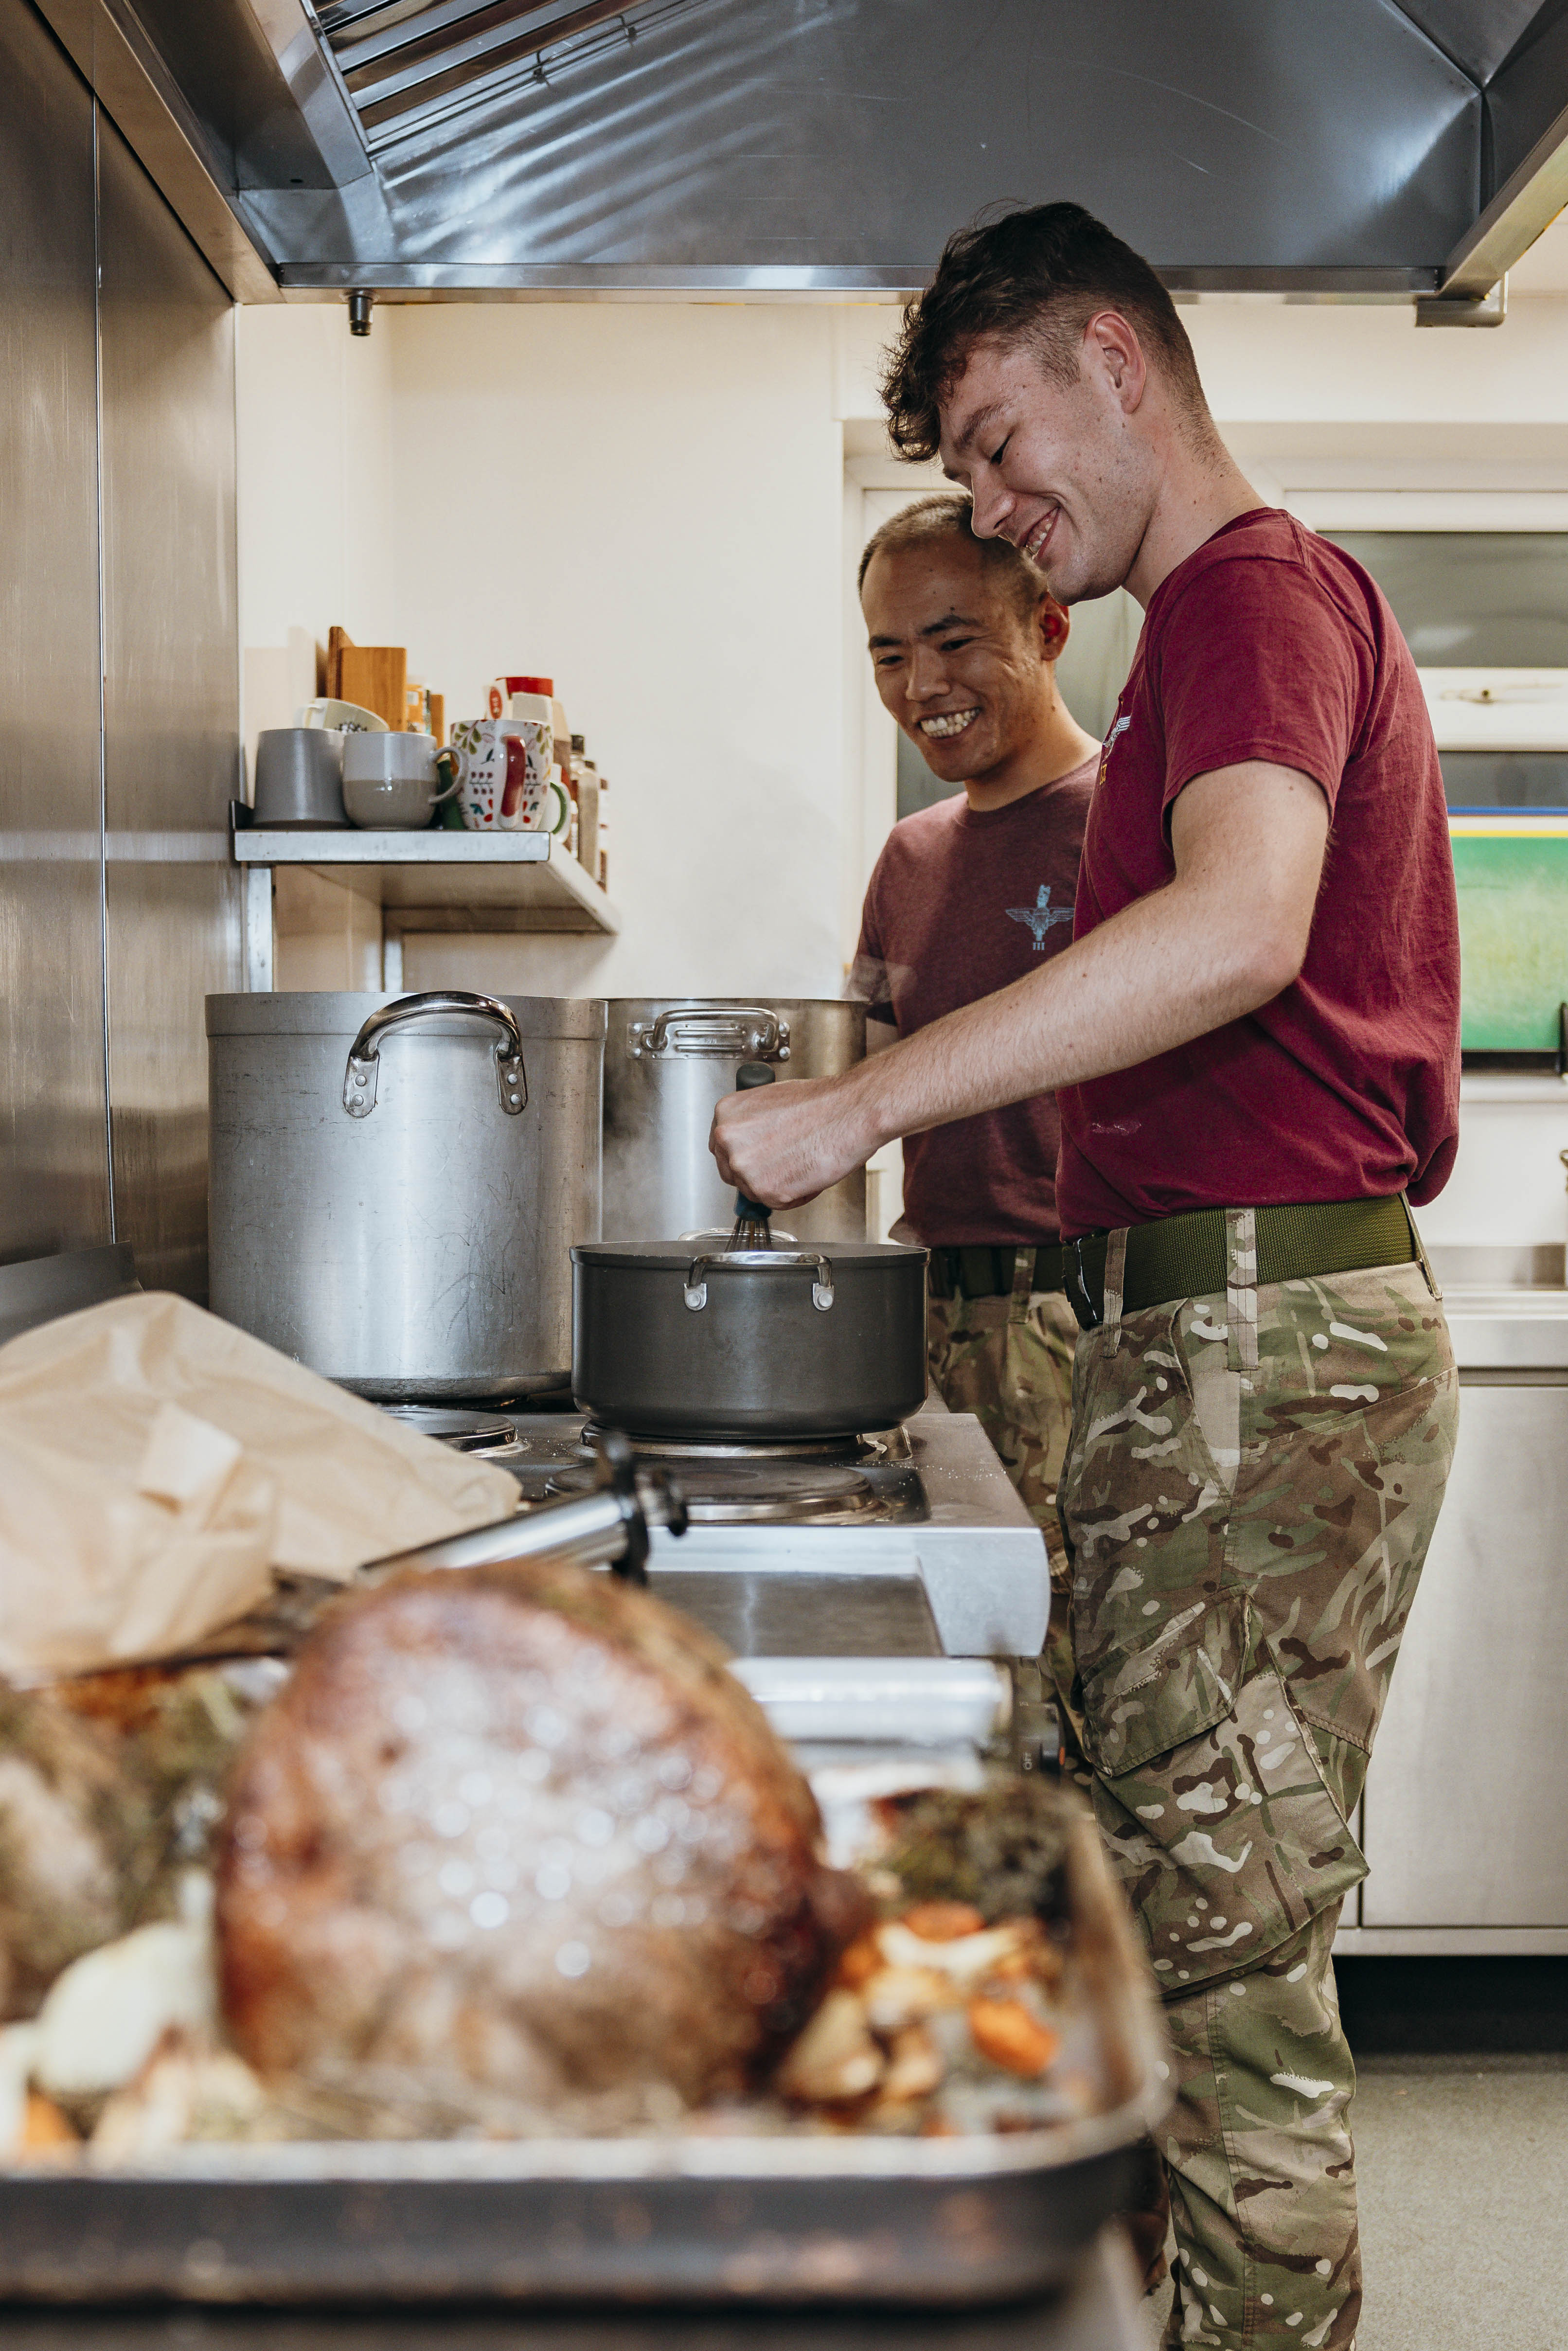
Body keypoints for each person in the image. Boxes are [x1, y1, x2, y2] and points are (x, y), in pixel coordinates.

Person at [713, 202, 1460, 2351]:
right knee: (1170, 1911)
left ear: (1110, 359)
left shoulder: (1244, 593)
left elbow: (1237, 929)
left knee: (1222, 1983)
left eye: (994, 429)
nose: (988, 498)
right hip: (1190, 1330)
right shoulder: (1195, 640)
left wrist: (853, 1112)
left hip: (1246, 1333)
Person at [852, 494, 1099, 1590]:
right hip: (923, 1319)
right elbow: (854, 1064)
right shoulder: (906, 856)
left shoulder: (1131, 824)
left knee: (1086, 1658)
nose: (921, 688)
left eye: (954, 642)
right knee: (970, 1643)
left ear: (1047, 626)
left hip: (1083, 1313)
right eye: (890, 654)